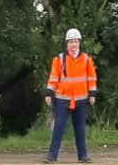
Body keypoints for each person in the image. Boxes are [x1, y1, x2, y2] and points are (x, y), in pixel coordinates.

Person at [43, 27, 97, 164]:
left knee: (80, 128)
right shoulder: (59, 59)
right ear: (67, 44)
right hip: (62, 99)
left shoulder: (86, 59)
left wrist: (92, 93)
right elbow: (53, 77)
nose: (73, 44)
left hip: (80, 99)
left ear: (79, 43)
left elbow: (91, 77)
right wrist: (49, 93)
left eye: (76, 41)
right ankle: (52, 156)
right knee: (58, 128)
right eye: (71, 42)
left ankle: (83, 156)